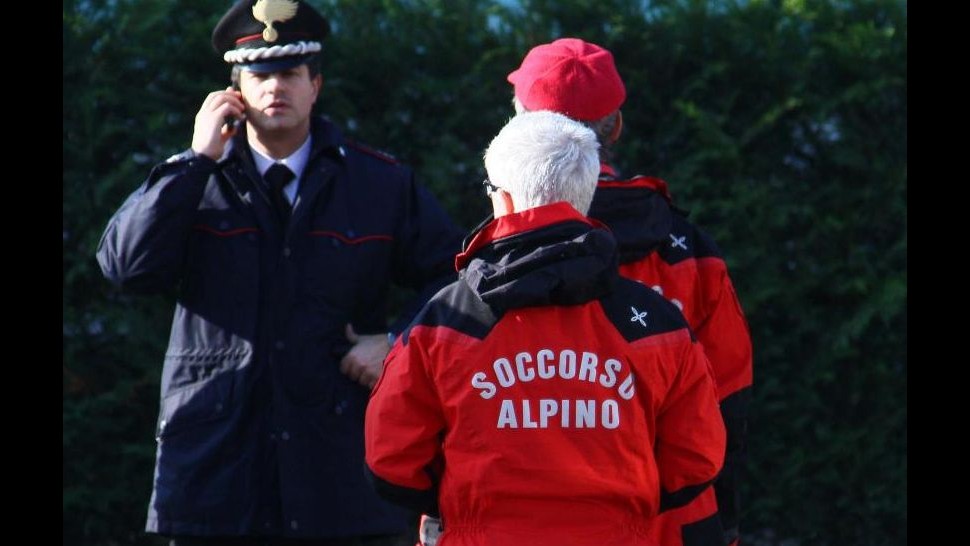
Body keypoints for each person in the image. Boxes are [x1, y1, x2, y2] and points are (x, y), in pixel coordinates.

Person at [95, 1, 464, 544]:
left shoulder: (377, 183)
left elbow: (456, 277)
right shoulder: (197, 181)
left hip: (339, 478)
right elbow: (126, 268)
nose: (275, 89)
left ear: (316, 84)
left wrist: (398, 341)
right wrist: (195, 160)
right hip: (216, 479)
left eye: (289, 73)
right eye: (259, 74)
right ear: (233, 91)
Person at [364, 110, 726, 546]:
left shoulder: (446, 322)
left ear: (506, 200)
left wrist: (462, 504)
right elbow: (697, 457)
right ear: (585, 195)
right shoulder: (656, 324)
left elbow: (391, 459)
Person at [504, 37, 755, 546]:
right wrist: (723, 521)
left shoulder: (495, 259)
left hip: (526, 523)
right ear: (616, 125)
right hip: (673, 521)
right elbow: (729, 399)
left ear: (517, 124)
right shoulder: (689, 253)